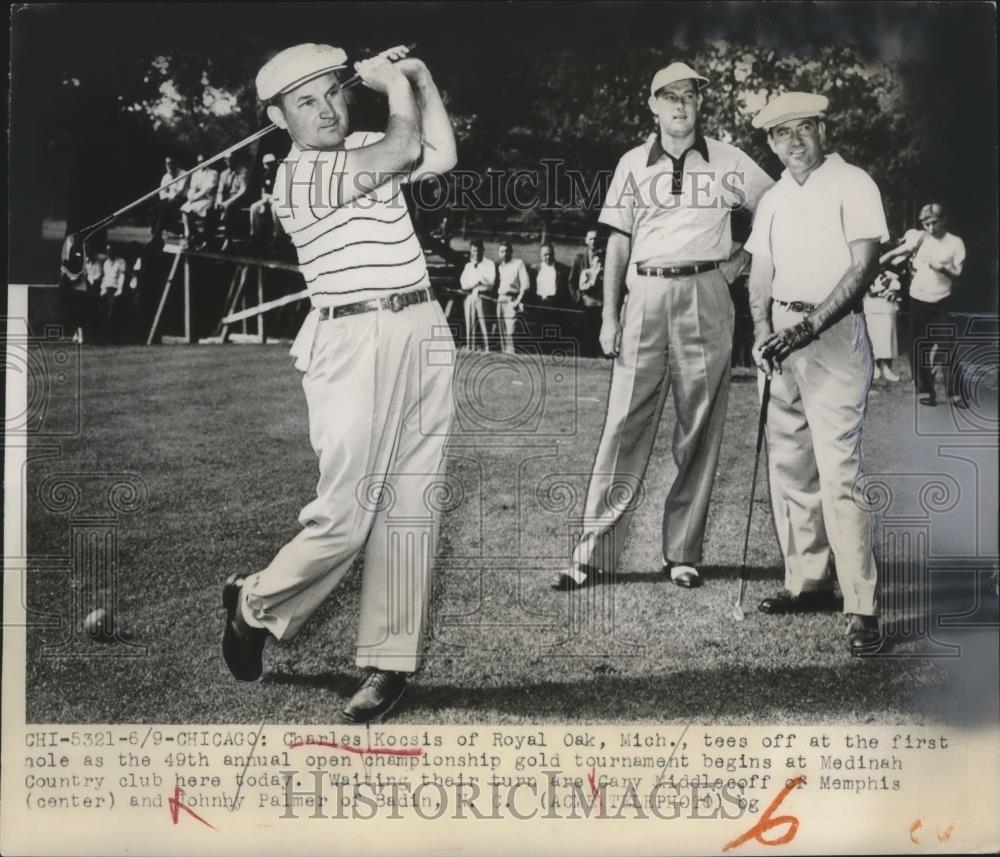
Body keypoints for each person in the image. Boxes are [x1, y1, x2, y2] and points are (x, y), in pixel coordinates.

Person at [221, 43, 457, 725]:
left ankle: (389, 662)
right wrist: (396, 93)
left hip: (421, 326)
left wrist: (419, 75)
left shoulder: (361, 142)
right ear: (278, 117)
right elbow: (403, 149)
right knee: (347, 516)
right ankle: (256, 602)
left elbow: (438, 155)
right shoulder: (297, 178)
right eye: (305, 101)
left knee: (412, 504)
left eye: (333, 91)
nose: (325, 109)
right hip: (351, 343)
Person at [551, 61, 773, 592]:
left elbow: (776, 203)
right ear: (652, 105)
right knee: (624, 424)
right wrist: (608, 315)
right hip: (644, 293)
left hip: (707, 292)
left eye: (689, 97)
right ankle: (591, 553)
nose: (680, 106)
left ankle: (683, 553)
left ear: (700, 104)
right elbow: (618, 242)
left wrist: (740, 261)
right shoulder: (632, 163)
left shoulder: (727, 158)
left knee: (698, 426)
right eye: (669, 97)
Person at [746, 92, 888, 654]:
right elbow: (760, 273)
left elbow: (862, 268)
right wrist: (760, 331)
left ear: (823, 129)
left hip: (832, 338)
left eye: (803, 129)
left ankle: (861, 605)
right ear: (771, 143)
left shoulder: (855, 183)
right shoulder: (775, 197)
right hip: (779, 340)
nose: (793, 141)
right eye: (781, 134)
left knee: (840, 473)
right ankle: (807, 583)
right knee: (790, 468)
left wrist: (804, 330)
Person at [880, 203, 967, 406]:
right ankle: (925, 391)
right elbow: (895, 254)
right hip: (918, 300)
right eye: (926, 224)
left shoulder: (955, 243)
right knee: (918, 347)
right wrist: (874, 266)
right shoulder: (920, 238)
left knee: (947, 347)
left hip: (941, 300)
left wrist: (942, 268)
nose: (930, 228)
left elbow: (958, 274)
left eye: (934, 223)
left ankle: (955, 394)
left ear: (943, 220)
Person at [569, 229, 604, 356]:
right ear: (585, 240)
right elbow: (572, 281)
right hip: (585, 304)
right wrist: (578, 297)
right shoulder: (579, 259)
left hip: (601, 304)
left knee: (600, 334)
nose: (593, 241)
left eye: (595, 238)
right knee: (585, 334)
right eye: (590, 238)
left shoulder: (605, 258)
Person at [863, 266, 902, 381]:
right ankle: (873, 367)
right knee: (873, 337)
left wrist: (893, 292)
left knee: (887, 337)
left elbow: (897, 287)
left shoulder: (890, 274)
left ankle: (887, 368)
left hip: (887, 308)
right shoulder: (867, 273)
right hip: (871, 308)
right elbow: (871, 291)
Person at [458, 239, 495, 351]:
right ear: (471, 251)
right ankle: (471, 347)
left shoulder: (489, 264)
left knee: (484, 322)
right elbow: (464, 284)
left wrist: (479, 279)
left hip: (483, 296)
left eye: (478, 251)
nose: (476, 253)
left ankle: (488, 348)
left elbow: (490, 282)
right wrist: (476, 282)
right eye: (474, 251)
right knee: (470, 322)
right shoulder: (468, 266)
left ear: (483, 251)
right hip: (470, 296)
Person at [495, 240, 529, 354]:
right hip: (501, 299)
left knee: (511, 331)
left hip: (512, 299)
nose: (504, 253)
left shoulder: (518, 263)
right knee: (502, 330)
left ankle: (513, 355)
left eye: (507, 251)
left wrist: (519, 300)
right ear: (499, 253)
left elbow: (525, 284)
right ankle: (505, 356)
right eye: (502, 251)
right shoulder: (501, 267)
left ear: (511, 252)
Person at [180, 155, 219, 247]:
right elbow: (192, 188)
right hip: (196, 199)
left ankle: (205, 238)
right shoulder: (195, 174)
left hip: (208, 199)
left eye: (203, 161)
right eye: (199, 162)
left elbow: (207, 189)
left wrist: (194, 197)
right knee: (185, 209)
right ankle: (189, 233)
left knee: (206, 210)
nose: (201, 163)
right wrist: (190, 197)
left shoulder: (213, 173)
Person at [149, 156, 187, 240]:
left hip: (181, 199)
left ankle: (157, 236)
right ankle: (154, 234)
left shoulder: (183, 174)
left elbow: (179, 190)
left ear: (175, 163)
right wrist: (168, 197)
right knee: (152, 210)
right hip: (168, 199)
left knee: (164, 211)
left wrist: (173, 178)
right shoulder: (166, 176)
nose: (169, 166)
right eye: (167, 163)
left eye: (171, 163)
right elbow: (161, 192)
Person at [214, 154, 248, 242]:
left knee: (230, 209)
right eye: (227, 159)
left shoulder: (242, 171)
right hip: (226, 199)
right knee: (211, 210)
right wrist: (219, 200)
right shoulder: (224, 173)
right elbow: (220, 190)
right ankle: (208, 239)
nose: (229, 161)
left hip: (237, 198)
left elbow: (242, 190)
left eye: (231, 159)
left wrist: (228, 202)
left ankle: (228, 239)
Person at [249, 153, 279, 248]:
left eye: (271, 163)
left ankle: (277, 236)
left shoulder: (281, 174)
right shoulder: (265, 176)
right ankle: (254, 234)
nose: (268, 166)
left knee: (275, 209)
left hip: (279, 200)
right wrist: (264, 202)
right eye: (266, 164)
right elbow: (263, 192)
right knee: (254, 207)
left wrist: (272, 198)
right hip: (267, 199)